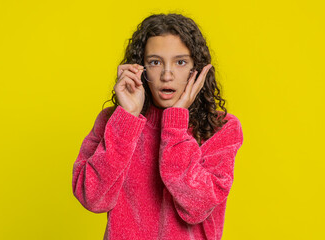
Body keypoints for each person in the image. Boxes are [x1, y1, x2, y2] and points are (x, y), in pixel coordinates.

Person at [72, 13, 244, 240]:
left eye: (180, 62)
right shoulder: (114, 121)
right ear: (140, 68)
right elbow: (92, 197)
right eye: (155, 62)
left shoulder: (222, 128)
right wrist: (128, 118)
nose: (167, 75)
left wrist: (175, 124)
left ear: (198, 70)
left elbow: (196, 207)